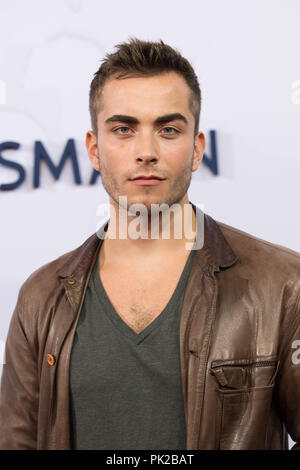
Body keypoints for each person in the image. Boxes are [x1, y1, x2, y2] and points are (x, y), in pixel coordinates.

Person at [0, 37, 299, 451]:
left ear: (196, 149)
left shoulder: (282, 285)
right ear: (94, 149)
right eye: (123, 129)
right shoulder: (40, 297)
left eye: (168, 129)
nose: (146, 151)